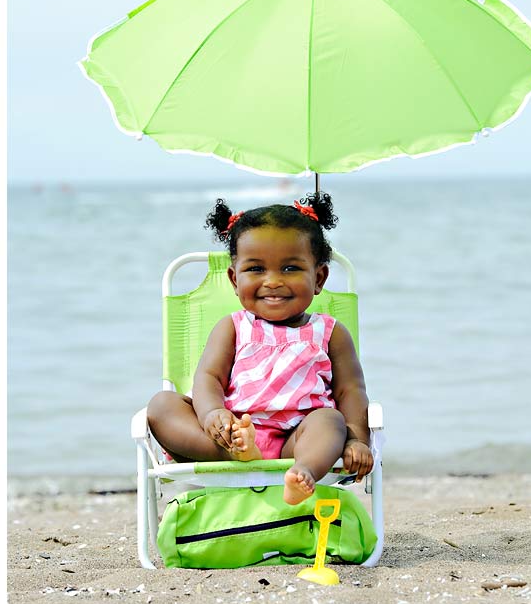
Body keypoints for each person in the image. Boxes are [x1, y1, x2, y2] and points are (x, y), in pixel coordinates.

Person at [147, 192, 373, 505]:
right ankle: (239, 452)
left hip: (295, 442)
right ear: (234, 279)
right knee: (161, 405)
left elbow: (350, 391)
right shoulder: (233, 327)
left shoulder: (330, 332)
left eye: (291, 269)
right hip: (232, 434)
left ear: (319, 277)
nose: (273, 281)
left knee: (331, 421)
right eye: (255, 269)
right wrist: (214, 414)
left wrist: (358, 440)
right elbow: (209, 378)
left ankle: (302, 474)